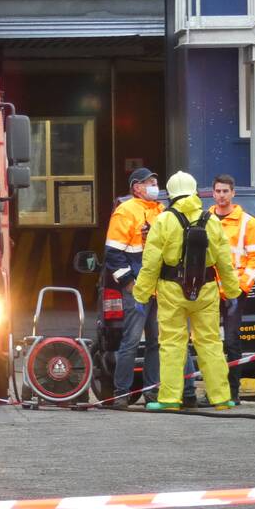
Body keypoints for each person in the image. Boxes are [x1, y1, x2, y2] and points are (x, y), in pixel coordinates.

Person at [133, 171, 241, 411]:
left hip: (172, 290)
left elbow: (151, 262)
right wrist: (232, 292)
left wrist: (141, 295)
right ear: (194, 191)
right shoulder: (211, 219)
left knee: (172, 344)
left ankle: (170, 399)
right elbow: (224, 259)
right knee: (210, 342)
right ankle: (221, 398)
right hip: (207, 288)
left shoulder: (164, 220)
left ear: (170, 193)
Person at [103, 168, 195, 409]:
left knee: (156, 341)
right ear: (136, 187)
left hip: (159, 288)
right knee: (131, 341)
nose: (155, 185)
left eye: (155, 181)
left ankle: (151, 391)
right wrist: (129, 283)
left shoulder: (161, 211)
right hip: (137, 289)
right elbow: (113, 253)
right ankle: (121, 392)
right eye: (149, 182)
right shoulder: (125, 212)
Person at [208, 174, 255, 403]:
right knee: (209, 342)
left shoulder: (248, 223)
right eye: (218, 191)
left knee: (231, 341)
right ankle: (215, 391)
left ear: (233, 193)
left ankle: (232, 392)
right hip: (208, 290)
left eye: (225, 191)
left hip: (234, 291)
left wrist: (242, 285)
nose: (221, 195)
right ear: (213, 193)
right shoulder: (205, 219)